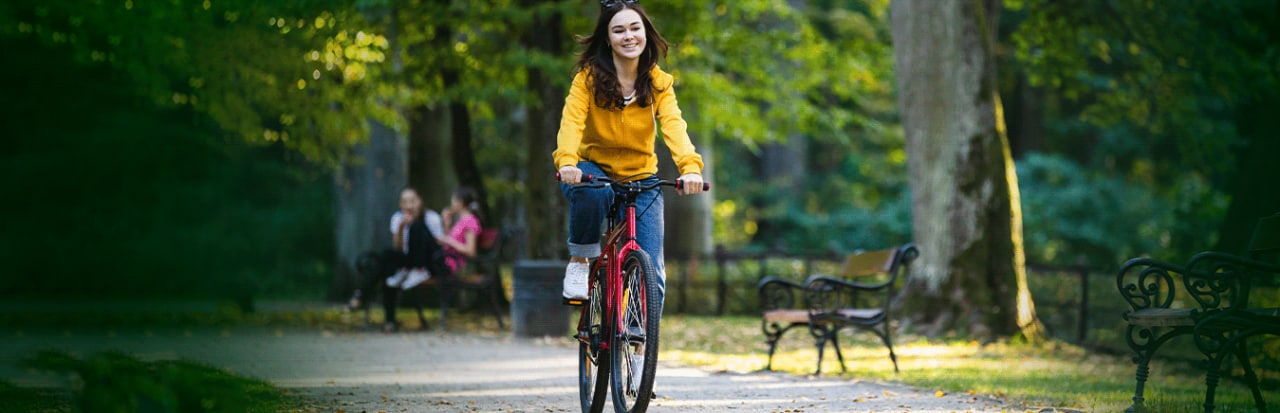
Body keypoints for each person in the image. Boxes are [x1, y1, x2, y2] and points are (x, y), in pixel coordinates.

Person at [553, 0, 707, 303]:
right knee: (592, 191)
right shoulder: (587, 80)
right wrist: (568, 162)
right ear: (607, 39)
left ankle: (639, 345)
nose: (629, 36)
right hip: (594, 169)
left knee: (652, 268)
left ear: (646, 33)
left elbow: (674, 126)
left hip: (641, 175)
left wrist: (690, 168)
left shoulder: (659, 83)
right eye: (619, 30)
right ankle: (580, 261)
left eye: (635, 28)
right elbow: (571, 124)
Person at [436, 187, 483, 274]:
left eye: (453, 201)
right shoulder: (461, 221)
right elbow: (445, 245)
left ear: (460, 202)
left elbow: (471, 251)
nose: (451, 204)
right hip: (447, 261)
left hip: (456, 265)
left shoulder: (470, 221)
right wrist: (446, 224)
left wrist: (449, 240)